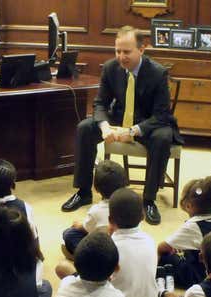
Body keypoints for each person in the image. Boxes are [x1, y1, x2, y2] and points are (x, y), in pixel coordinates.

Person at [61, 25, 183, 225]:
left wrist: (134, 131)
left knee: (163, 137)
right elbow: (100, 102)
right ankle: (83, 191)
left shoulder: (158, 73)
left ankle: (149, 199)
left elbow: (161, 114)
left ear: (141, 49)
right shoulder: (110, 68)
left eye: (126, 51)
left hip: (149, 123)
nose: (121, 56)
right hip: (119, 118)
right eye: (117, 51)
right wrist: (104, 127)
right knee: (85, 127)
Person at [55, 188, 160, 297]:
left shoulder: (66, 288)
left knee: (63, 267)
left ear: (110, 220)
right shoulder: (150, 241)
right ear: (142, 217)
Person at [157, 176, 211, 289]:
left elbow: (162, 247)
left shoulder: (192, 226)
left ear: (188, 205)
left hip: (196, 276)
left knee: (165, 256)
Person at [61, 160, 127, 258]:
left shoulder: (96, 210)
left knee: (68, 234)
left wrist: (78, 225)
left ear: (96, 188)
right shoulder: (129, 204)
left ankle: (83, 257)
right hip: (123, 246)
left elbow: (86, 228)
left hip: (103, 249)